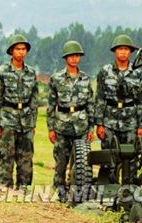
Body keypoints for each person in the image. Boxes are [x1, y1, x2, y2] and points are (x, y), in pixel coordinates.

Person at [0, 34, 38, 190]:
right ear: (11, 51)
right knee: (6, 156)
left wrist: (33, 123)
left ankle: (24, 189)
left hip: (27, 120)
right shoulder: (1, 72)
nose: (21, 52)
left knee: (26, 157)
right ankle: (5, 188)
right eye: (18, 49)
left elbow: (34, 100)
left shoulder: (31, 72)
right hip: (7, 119)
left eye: (24, 49)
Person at [46, 40, 94, 201]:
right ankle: (59, 194)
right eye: (71, 56)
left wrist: (91, 128)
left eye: (77, 55)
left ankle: (77, 195)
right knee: (61, 162)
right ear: (65, 58)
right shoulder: (56, 78)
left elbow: (90, 104)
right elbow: (51, 105)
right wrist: (51, 128)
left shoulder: (86, 78)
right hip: (62, 125)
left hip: (81, 125)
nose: (74, 59)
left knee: (81, 163)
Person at [94, 34, 142, 149]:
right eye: (120, 49)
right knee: (108, 161)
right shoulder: (105, 71)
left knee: (131, 161)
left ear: (130, 52)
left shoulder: (137, 73)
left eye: (126, 49)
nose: (123, 52)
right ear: (115, 51)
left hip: (131, 123)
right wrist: (99, 124)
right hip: (109, 123)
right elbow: (100, 98)